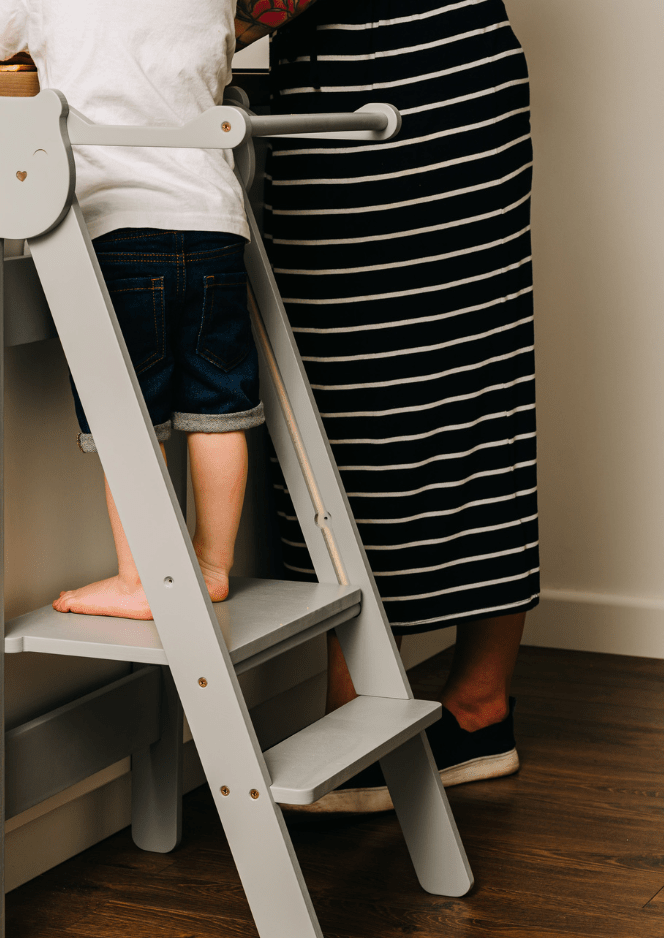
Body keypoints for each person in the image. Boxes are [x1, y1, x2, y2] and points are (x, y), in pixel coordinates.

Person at [236, 0, 538, 812]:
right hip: (418, 70)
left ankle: (385, 715)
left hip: (397, 81)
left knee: (370, 390)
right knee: (457, 372)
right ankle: (470, 706)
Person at [0, 0, 265, 621]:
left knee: (130, 414)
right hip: (213, 222)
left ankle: (141, 577)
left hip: (119, 226)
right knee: (218, 406)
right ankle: (212, 564)